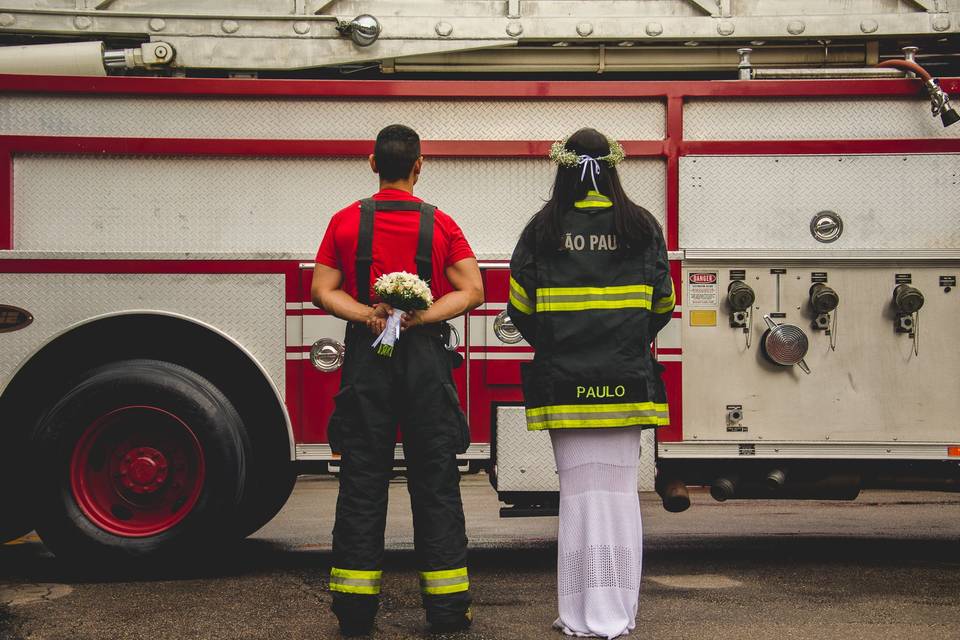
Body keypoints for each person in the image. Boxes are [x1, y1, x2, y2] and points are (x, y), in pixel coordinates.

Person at [311, 124, 484, 637]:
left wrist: (369, 315)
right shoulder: (441, 223)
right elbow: (472, 288)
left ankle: (356, 611)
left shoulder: (345, 221)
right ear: (419, 165)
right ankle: (449, 609)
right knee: (435, 482)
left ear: (371, 163)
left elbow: (323, 289)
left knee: (363, 480)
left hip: (369, 362)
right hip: (425, 362)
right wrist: (423, 316)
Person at [507, 128, 675, 639]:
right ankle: (618, 613)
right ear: (612, 167)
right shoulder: (640, 224)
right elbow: (662, 304)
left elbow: (521, 309)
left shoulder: (542, 229)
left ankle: (580, 612)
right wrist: (627, 342)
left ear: (563, 167)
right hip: (627, 383)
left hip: (565, 389)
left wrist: (558, 346)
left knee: (578, 499)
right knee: (621, 497)